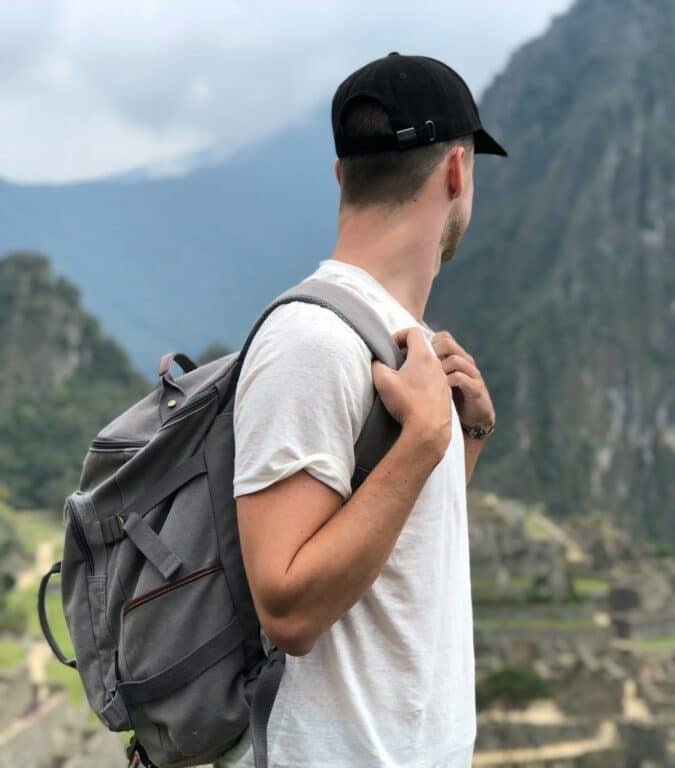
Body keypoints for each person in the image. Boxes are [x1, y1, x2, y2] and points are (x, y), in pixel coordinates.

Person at [215, 52, 506, 767]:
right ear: (457, 173)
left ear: (343, 176)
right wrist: (423, 441)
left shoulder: (395, 343)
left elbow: (388, 565)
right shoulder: (310, 341)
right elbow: (287, 610)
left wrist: (463, 438)